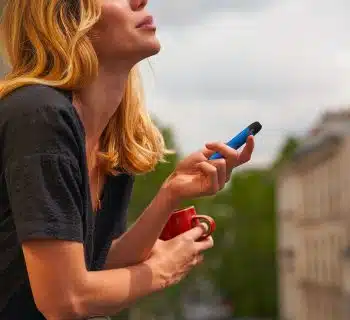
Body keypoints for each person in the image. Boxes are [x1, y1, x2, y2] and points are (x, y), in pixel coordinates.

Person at [0, 0, 255, 319]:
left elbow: (97, 265)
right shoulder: (39, 116)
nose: (140, 1)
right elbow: (66, 298)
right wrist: (162, 268)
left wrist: (170, 194)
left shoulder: (113, 138)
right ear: (65, 15)